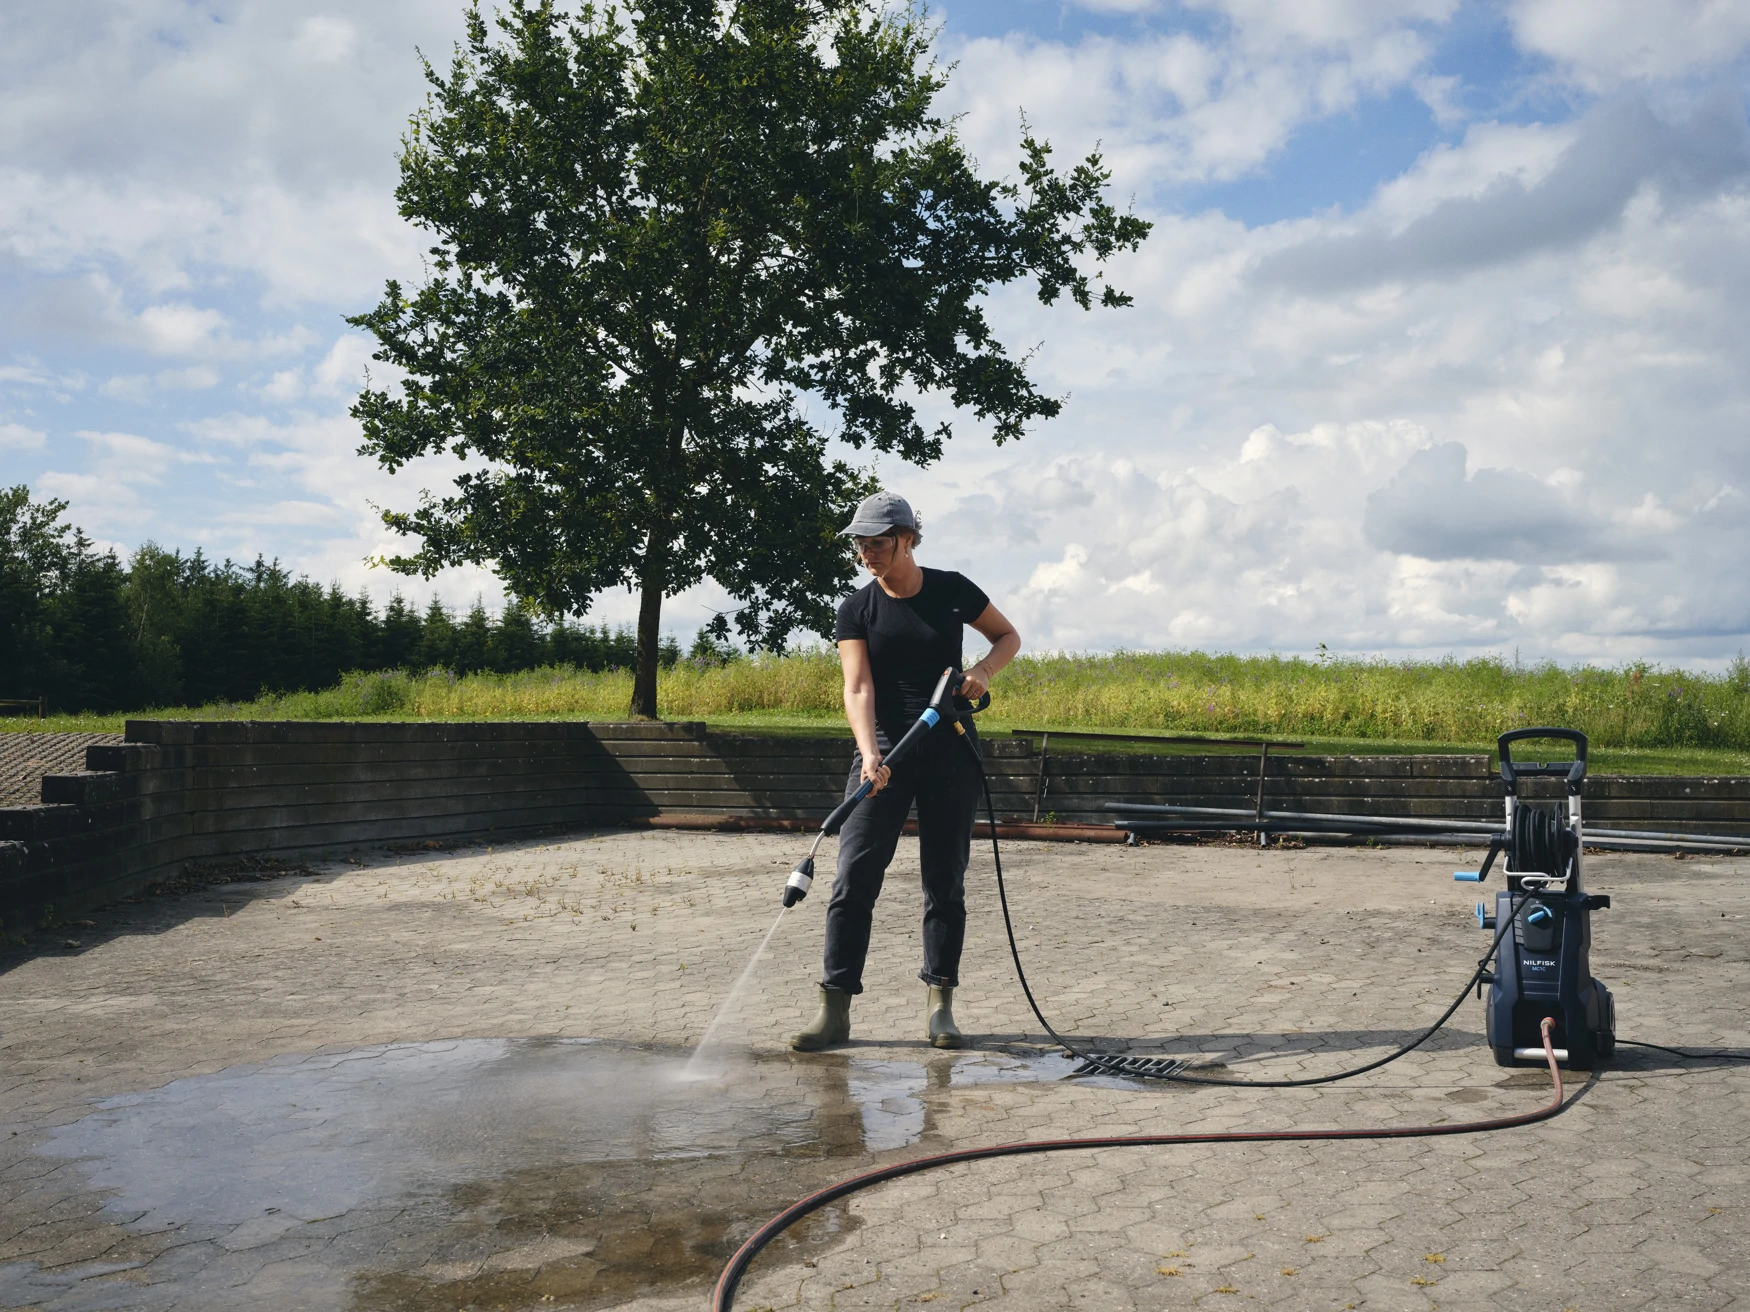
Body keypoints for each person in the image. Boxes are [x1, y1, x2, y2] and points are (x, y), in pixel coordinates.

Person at [791, 491, 1021, 1052]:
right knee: (853, 877)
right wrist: (869, 753)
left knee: (944, 880)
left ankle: (941, 1006)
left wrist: (984, 671)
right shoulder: (857, 609)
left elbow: (1007, 636)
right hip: (885, 751)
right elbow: (857, 687)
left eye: (877, 544)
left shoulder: (952, 590)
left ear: (907, 539)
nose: (867, 554)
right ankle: (834, 1009)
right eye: (860, 546)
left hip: (950, 747)